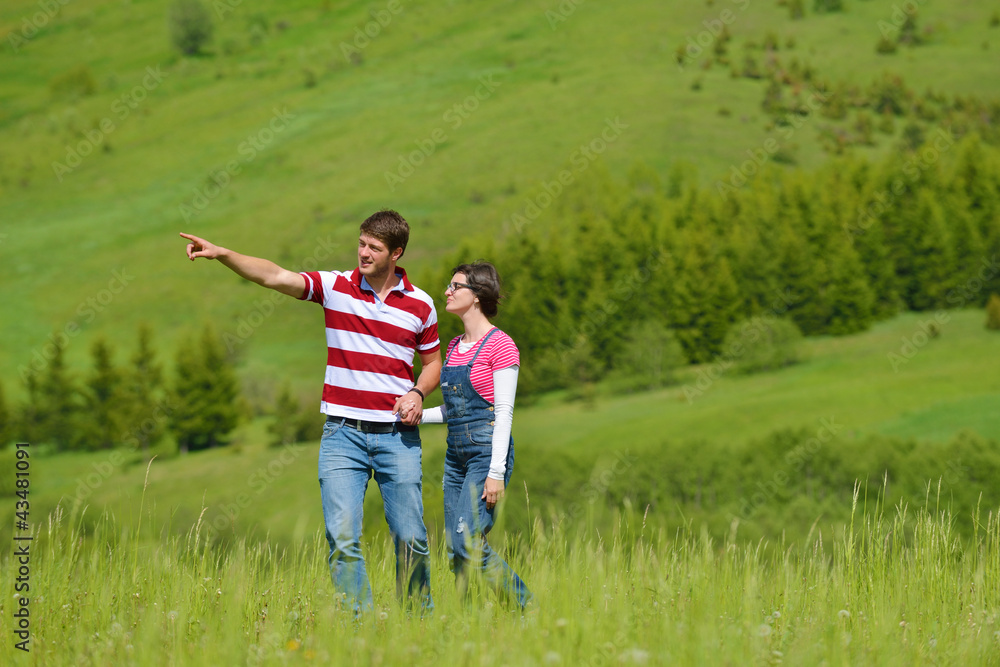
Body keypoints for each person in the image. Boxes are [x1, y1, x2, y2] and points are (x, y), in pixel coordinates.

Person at [180, 210, 441, 614]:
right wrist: (223, 253)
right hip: (342, 437)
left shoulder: (421, 305)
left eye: (374, 247)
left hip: (396, 436)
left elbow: (433, 363)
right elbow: (275, 276)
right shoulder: (335, 286)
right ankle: (357, 630)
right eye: (361, 243)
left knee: (411, 537)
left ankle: (419, 622)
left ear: (397, 253)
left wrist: (419, 393)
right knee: (342, 538)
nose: (363, 253)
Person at [399, 261, 532, 608]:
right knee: (456, 550)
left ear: (477, 296)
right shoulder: (456, 345)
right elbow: (453, 410)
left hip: (486, 455)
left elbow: (503, 413)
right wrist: (415, 416)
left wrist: (496, 473)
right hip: (455, 458)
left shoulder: (501, 345)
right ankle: (471, 621)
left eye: (456, 286)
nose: (447, 291)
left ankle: (524, 607)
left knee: (466, 542)